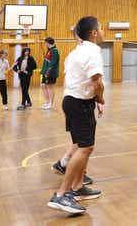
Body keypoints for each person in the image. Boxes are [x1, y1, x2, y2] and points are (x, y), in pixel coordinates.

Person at [47, 16, 104, 215]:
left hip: (71, 100)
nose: (103, 31)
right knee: (86, 148)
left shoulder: (74, 53)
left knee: (81, 145)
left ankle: (79, 187)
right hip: (80, 103)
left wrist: (93, 100)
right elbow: (97, 82)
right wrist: (101, 98)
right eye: (101, 28)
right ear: (94, 33)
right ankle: (62, 194)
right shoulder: (94, 51)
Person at [40, 37, 60, 110]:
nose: (45, 44)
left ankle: (51, 104)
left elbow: (53, 63)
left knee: (50, 87)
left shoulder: (54, 51)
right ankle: (47, 102)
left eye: (45, 43)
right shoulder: (49, 50)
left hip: (51, 73)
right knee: (43, 85)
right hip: (45, 72)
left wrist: (48, 72)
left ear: (48, 43)